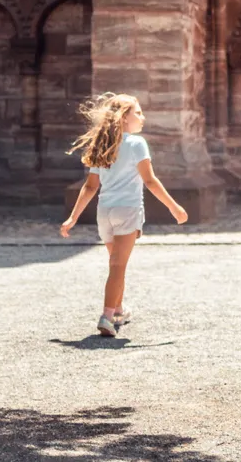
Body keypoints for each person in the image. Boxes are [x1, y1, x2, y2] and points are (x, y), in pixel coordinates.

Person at [59, 93, 190, 337]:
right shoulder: (137, 143)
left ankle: (118, 308)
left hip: (104, 212)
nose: (143, 117)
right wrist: (174, 207)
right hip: (127, 210)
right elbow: (150, 181)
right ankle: (107, 316)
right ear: (124, 118)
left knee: (115, 263)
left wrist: (73, 217)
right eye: (138, 112)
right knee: (118, 266)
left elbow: (89, 187)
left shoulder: (102, 145)